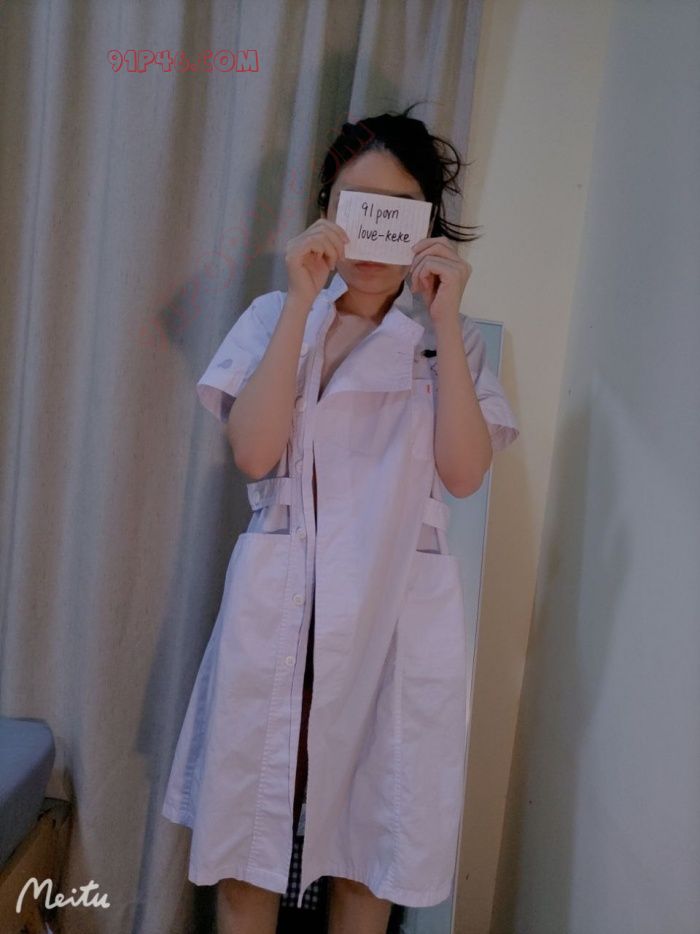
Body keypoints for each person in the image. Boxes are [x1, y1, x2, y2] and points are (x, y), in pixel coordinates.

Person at [161, 103, 520, 934]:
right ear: (328, 210)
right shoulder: (274, 317)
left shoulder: (448, 342)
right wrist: (300, 302)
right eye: (358, 208)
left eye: (398, 213)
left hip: (394, 610)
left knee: (369, 843)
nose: (373, 237)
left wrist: (443, 319)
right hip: (284, 599)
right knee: (247, 841)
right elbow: (255, 454)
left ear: (426, 227)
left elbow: (465, 474)